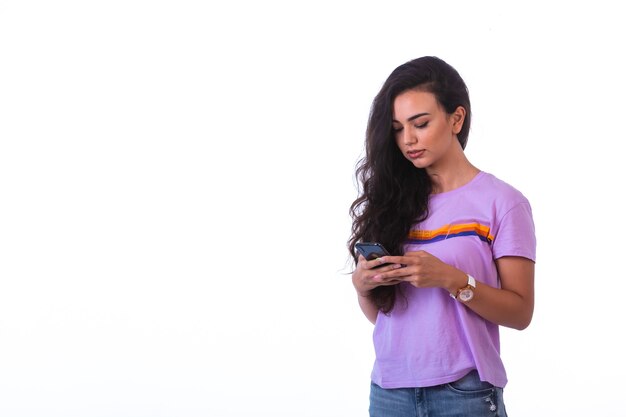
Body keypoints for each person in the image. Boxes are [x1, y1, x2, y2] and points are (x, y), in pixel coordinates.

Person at [348, 56, 536, 417]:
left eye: (420, 123)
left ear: (456, 118)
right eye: (397, 128)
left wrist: (451, 279)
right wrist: (364, 286)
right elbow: (385, 317)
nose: (408, 139)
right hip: (389, 391)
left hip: (463, 392)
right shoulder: (390, 201)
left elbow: (520, 312)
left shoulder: (503, 203)